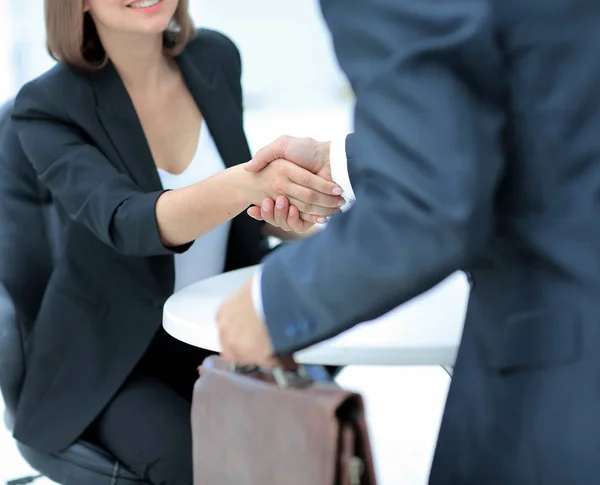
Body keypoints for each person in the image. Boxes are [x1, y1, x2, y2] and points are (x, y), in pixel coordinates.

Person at [217, 0, 600, 483]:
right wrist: (339, 162)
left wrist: (270, 305)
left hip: (565, 389)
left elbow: (425, 211)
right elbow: (549, 101)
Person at [8, 0, 344, 483]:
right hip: (118, 359)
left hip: (219, 329)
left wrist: (295, 208)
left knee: (307, 442)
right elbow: (126, 220)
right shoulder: (46, 105)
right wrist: (248, 184)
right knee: (196, 464)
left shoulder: (214, 57)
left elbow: (240, 213)